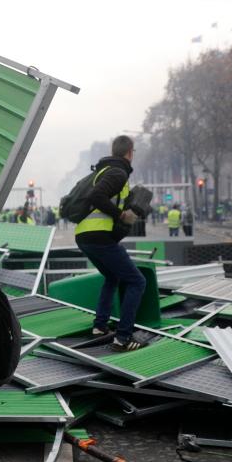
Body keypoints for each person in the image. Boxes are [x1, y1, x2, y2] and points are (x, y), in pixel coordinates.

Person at [74, 135, 146, 352]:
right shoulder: (118, 172)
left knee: (112, 277)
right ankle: (123, 338)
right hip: (98, 237)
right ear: (130, 152)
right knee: (137, 282)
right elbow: (98, 196)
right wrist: (121, 215)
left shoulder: (104, 170)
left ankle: (100, 326)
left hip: (85, 236)